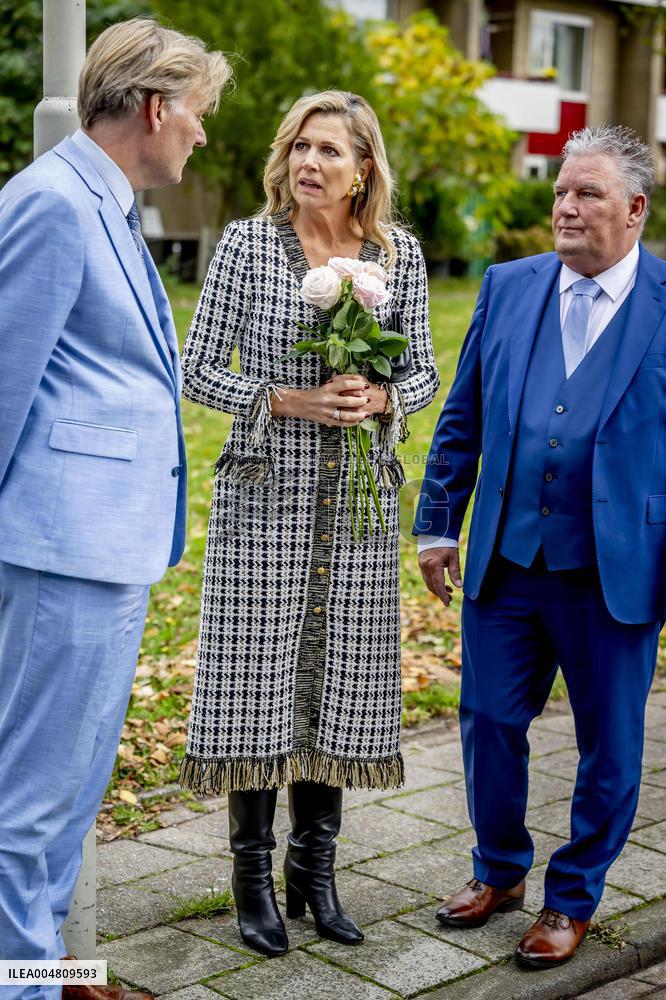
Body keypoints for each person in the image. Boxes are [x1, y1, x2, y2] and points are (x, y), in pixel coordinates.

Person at [0, 17, 231, 999]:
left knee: (69, 793)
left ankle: (45, 966)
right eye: (199, 115)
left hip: (107, 547)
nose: (203, 136)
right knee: (29, 804)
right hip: (59, 550)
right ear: (154, 107)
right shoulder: (52, 202)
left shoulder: (107, 200)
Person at [179, 89, 439, 957]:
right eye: (299, 145)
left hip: (358, 508)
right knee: (254, 689)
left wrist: (383, 396)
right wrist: (286, 399)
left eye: (329, 150)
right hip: (266, 501)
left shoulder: (396, 253)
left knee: (342, 690)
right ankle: (251, 881)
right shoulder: (250, 247)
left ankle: (314, 877)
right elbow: (197, 369)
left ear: (364, 168)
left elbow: (427, 371)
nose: (309, 162)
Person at [415, 124, 665, 969]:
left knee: (611, 743)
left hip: (616, 570)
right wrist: (439, 521)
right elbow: (463, 413)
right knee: (487, 722)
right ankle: (499, 871)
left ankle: (573, 896)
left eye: (586, 193)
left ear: (633, 208)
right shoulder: (509, 286)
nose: (565, 206)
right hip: (506, 558)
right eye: (560, 191)